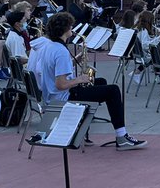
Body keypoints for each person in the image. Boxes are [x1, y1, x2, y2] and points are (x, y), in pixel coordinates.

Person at [35, 12, 147, 149]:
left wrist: (76, 60)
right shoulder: (61, 51)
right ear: (64, 30)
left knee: (100, 82)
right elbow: (61, 84)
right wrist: (79, 79)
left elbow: (55, 70)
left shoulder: (50, 46)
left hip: (53, 96)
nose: (72, 29)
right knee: (113, 90)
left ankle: (83, 129)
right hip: (63, 97)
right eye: (70, 26)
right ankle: (121, 136)